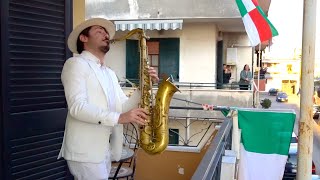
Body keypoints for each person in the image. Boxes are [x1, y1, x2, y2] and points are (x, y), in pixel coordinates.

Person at [57, 18, 159, 180]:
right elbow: (77, 107)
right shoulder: (75, 64)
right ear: (84, 38)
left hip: (104, 149)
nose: (106, 35)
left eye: (106, 32)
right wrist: (119, 117)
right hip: (85, 151)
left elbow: (122, 107)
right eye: (99, 31)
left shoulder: (109, 73)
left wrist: (144, 86)